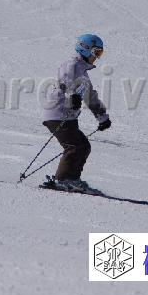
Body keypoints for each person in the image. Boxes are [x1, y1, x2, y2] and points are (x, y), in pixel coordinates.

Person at [42, 34, 111, 191]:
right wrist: (71, 95)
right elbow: (65, 81)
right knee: (76, 146)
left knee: (82, 146)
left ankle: (72, 179)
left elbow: (90, 96)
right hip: (58, 114)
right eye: (96, 52)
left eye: (100, 53)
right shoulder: (72, 65)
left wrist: (102, 117)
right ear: (86, 49)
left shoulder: (83, 72)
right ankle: (64, 180)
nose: (97, 57)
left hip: (68, 116)